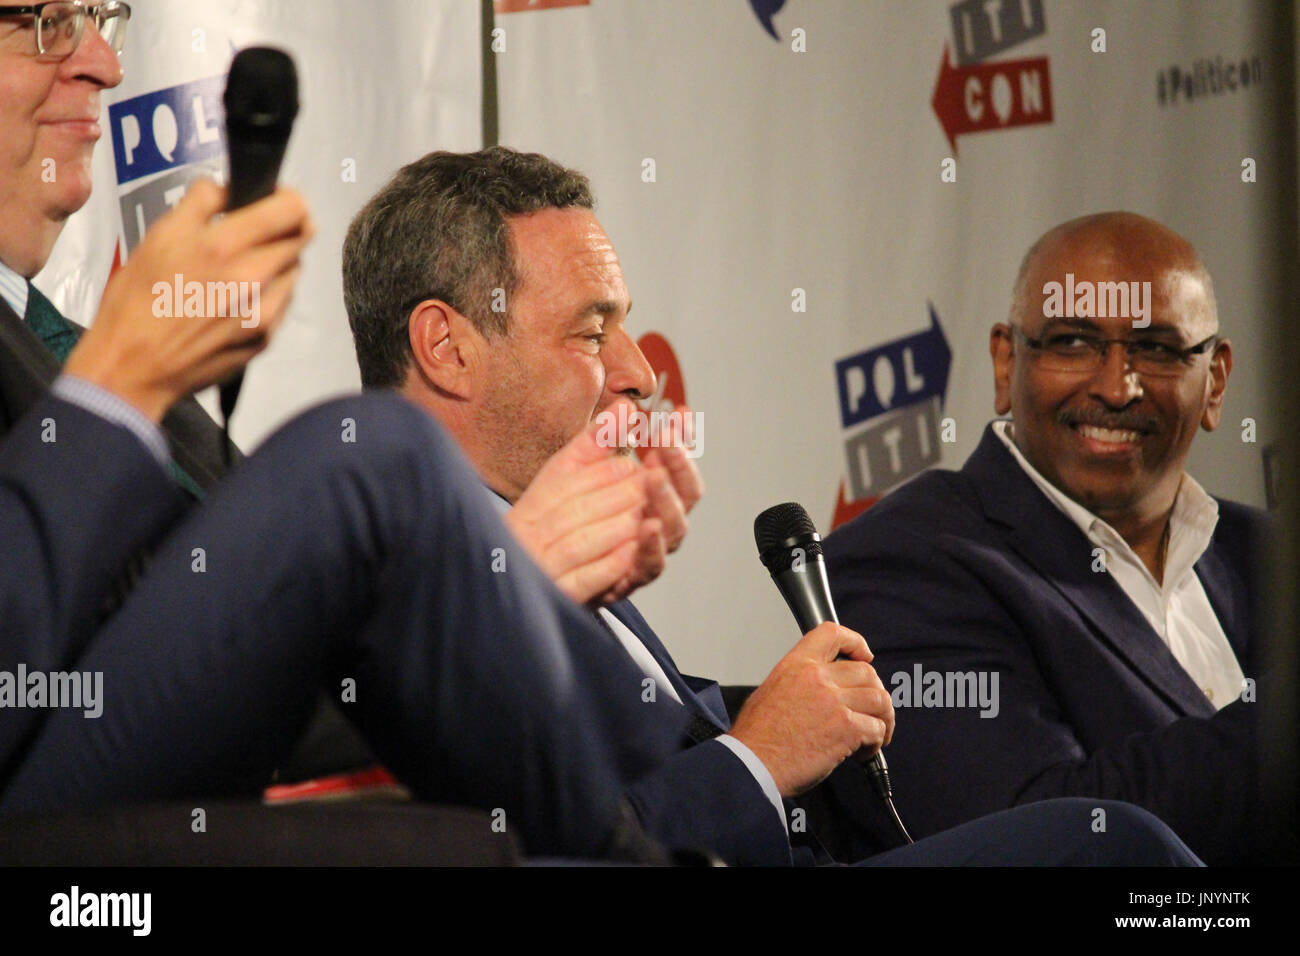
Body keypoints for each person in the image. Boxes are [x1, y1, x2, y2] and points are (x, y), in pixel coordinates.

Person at [342, 147, 1204, 866]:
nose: (640, 371)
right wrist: (757, 758)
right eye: (591, 330)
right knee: (1113, 851)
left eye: (626, 325)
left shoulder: (537, 533)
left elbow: (658, 727)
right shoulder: (396, 599)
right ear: (447, 349)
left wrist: (832, 706)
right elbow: (531, 850)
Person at [0, 0, 687, 861]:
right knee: (373, 460)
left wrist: (491, 606)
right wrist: (119, 386)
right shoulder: (112, 372)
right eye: (46, 21)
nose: (104, 61)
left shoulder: (71, 345)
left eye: (102, 17)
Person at [823, 212, 1271, 865]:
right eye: (1072, 343)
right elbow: (1033, 837)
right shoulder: (908, 560)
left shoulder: (1267, 554)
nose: (1117, 387)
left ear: (1217, 381)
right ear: (1006, 362)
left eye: (1158, 348)